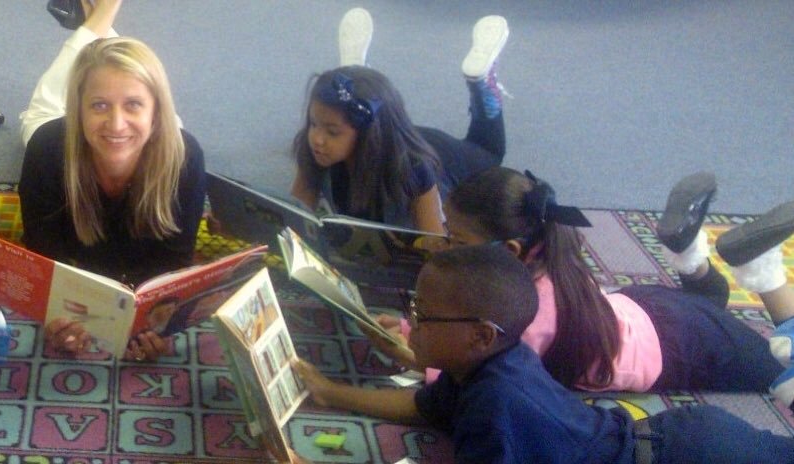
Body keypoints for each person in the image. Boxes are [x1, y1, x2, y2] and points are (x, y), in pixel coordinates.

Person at [292, 245, 794, 464]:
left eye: (422, 314)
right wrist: (330, 392)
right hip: (678, 435)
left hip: (693, 455)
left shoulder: (497, 406)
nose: (411, 324)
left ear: (481, 336)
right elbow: (422, 405)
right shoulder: (484, 365)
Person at [369, 168, 789, 401]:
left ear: (511, 249)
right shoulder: (536, 260)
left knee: (780, 367)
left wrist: (416, 356)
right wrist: (409, 330)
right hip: (648, 310)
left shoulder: (528, 319)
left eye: (456, 241)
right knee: (709, 304)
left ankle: (762, 269)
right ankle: (690, 258)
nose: (444, 247)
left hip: (674, 346)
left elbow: (479, 382)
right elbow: (462, 331)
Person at [19, 0, 204, 363]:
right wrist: (56, 317)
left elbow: (174, 261)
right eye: (99, 106)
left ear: (157, 113)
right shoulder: (47, 149)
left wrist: (153, 324)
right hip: (59, 131)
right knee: (38, 113)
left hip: (153, 141)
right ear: (78, 111)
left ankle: (97, 17)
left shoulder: (185, 158)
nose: (116, 123)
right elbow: (43, 254)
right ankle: (99, 17)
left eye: (134, 105)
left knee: (107, 71)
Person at [290, 9, 510, 233]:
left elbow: (433, 240)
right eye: (313, 123)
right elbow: (294, 216)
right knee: (360, 116)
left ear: (367, 134)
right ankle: (357, 79)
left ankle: (482, 84)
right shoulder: (317, 147)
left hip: (441, 153)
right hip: (386, 132)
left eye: (332, 132)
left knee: (491, 153)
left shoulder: (414, 168)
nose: (317, 139)